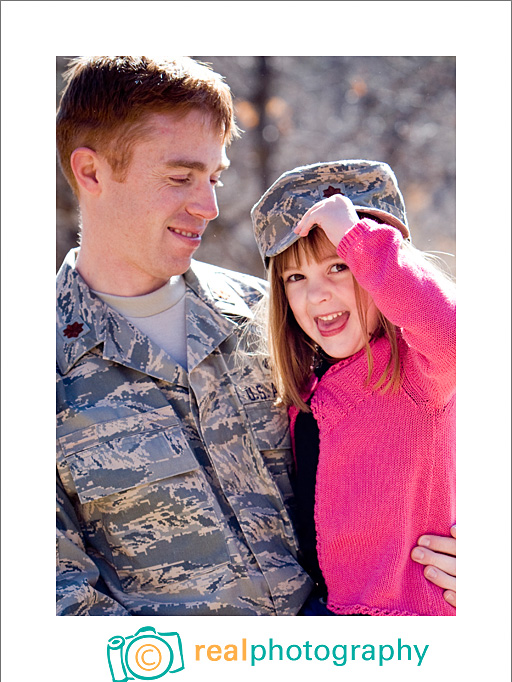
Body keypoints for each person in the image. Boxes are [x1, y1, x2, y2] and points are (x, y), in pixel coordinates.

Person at [56, 56, 456, 616]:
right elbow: (57, 603)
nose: (210, 207)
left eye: (214, 178)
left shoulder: (274, 320)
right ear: (92, 173)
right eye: (180, 177)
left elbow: (427, 424)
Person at [251, 160, 456, 615]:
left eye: (340, 266)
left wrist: (355, 235)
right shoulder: (307, 386)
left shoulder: (421, 371)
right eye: (296, 277)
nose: (316, 293)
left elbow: (453, 333)